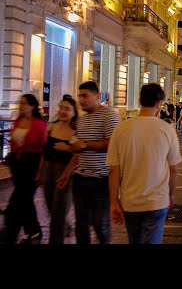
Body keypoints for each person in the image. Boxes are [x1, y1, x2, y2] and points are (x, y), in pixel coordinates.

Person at [107, 83, 182, 244]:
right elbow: (174, 169)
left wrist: (114, 201)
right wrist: (171, 194)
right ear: (159, 103)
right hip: (157, 201)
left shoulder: (121, 129)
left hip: (130, 202)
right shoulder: (166, 129)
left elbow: (114, 170)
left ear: (140, 100)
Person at [57, 81, 120, 244]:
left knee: (100, 225)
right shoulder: (82, 120)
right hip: (81, 179)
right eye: (79, 96)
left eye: (85, 96)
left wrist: (86, 144)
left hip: (101, 180)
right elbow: (78, 152)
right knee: (81, 225)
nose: (81, 100)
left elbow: (113, 145)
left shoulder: (109, 116)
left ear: (97, 96)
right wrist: (66, 173)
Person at [5, 94, 47, 244]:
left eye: (24, 103)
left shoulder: (39, 124)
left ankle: (10, 234)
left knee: (16, 204)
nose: (21, 106)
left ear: (32, 106)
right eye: (20, 103)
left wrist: (40, 171)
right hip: (18, 165)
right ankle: (34, 231)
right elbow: (14, 142)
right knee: (25, 201)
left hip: (32, 165)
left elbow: (44, 149)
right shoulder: (18, 121)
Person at [37, 94, 79, 244]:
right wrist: (40, 171)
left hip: (65, 173)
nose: (62, 111)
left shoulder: (76, 131)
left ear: (74, 112)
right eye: (61, 108)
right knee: (51, 208)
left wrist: (67, 148)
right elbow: (44, 151)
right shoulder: (52, 126)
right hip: (48, 170)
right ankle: (66, 227)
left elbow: (77, 155)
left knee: (57, 215)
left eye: (67, 109)